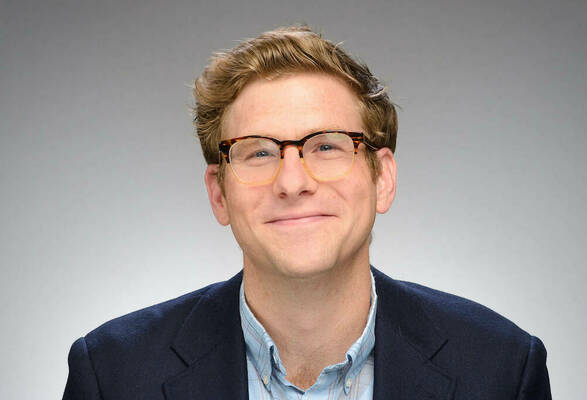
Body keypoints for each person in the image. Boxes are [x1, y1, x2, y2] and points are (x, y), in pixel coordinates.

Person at [63, 26, 551, 400]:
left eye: (326, 147)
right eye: (257, 153)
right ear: (219, 193)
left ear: (383, 179)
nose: (293, 182)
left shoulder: (501, 368)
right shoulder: (114, 374)